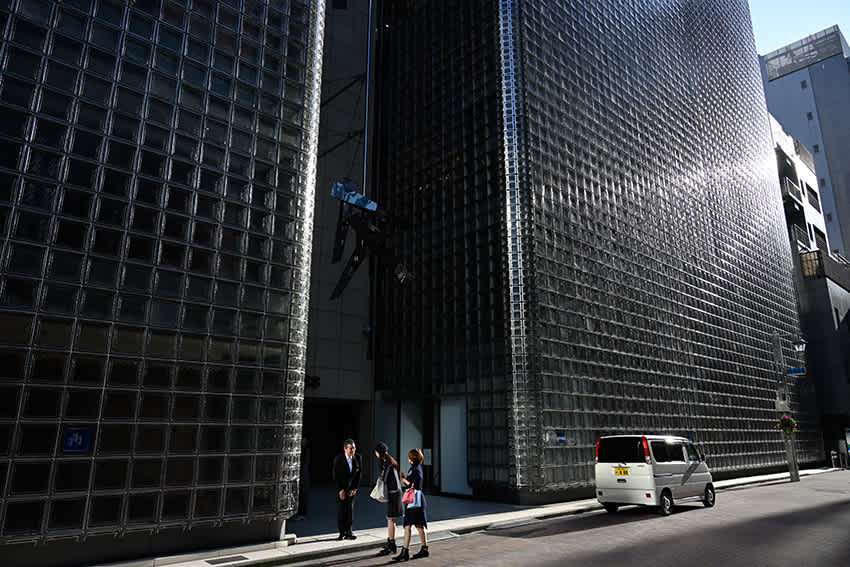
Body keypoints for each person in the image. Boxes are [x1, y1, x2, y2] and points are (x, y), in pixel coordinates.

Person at [393, 448, 428, 561]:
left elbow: (413, 485)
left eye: (409, 457)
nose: (408, 459)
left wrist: (403, 479)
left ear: (412, 459)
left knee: (408, 525)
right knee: (418, 525)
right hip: (418, 499)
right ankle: (424, 549)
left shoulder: (414, 470)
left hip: (413, 500)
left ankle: (405, 552)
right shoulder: (418, 468)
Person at [374, 442, 404, 556]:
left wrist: (380, 478)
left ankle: (391, 545)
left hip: (394, 494)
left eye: (376, 451)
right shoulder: (389, 461)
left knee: (390, 519)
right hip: (395, 493)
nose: (375, 453)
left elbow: (384, 478)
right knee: (391, 519)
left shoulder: (388, 463)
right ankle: (391, 543)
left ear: (379, 452)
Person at [332, 438, 361, 540]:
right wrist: (340, 490)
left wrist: (355, 488)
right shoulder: (338, 459)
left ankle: (349, 531)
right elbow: (336, 475)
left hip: (351, 489)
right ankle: (341, 532)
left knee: (350, 510)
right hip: (342, 488)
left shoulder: (357, 458)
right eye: (351, 448)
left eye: (354, 448)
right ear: (345, 449)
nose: (353, 450)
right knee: (341, 510)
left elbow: (359, 474)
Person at [294, 437, 310, 519]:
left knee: (303, 494)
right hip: (301, 475)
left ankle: (302, 513)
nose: (302, 441)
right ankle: (299, 513)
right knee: (299, 494)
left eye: (304, 440)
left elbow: (305, 464)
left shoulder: (306, 451)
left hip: (304, 475)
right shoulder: (300, 450)